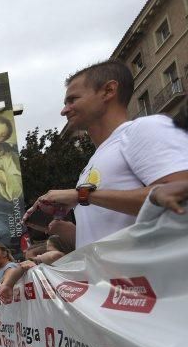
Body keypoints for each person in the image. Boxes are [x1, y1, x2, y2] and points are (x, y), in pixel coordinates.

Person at [25, 60, 188, 250]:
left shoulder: (144, 128)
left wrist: (82, 196)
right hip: (115, 278)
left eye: (73, 100)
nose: (64, 110)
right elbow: (110, 238)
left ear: (109, 91)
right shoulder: (92, 164)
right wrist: (68, 232)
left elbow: (181, 196)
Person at [0, 115, 24, 248]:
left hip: (6, 207)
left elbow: (15, 189)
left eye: (2, 135)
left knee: (7, 237)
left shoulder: (8, 154)